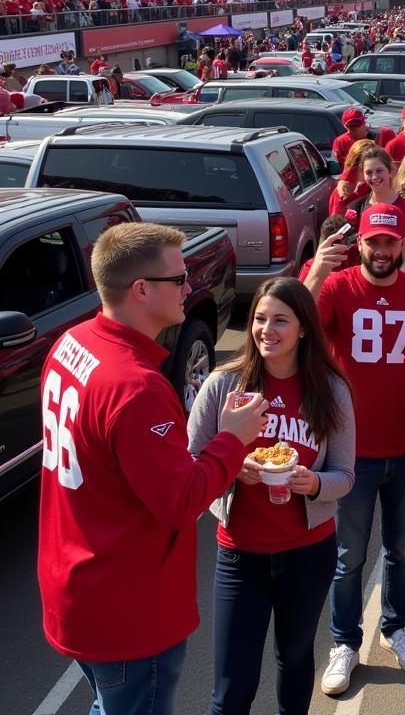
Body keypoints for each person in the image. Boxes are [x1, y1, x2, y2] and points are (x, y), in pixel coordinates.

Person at [37, 223, 267, 715]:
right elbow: (181, 502)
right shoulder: (135, 387)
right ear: (141, 289)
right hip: (127, 608)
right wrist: (230, 440)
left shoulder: (71, 343)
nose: (189, 287)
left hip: (77, 586)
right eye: (178, 278)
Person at [187, 278, 356, 715]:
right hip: (239, 556)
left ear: (304, 328)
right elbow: (189, 464)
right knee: (231, 687)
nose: (266, 329)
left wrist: (313, 484)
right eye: (260, 318)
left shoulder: (331, 391)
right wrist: (229, 470)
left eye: (280, 320)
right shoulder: (224, 386)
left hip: (307, 555)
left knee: (296, 664)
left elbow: (346, 475)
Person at [304, 204, 405, 696]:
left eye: (389, 243)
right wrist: (318, 268)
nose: (381, 252)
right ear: (357, 244)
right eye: (372, 243)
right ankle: (344, 641)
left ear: (401, 244)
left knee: (402, 550)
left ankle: (395, 627)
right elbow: (299, 325)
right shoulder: (338, 288)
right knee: (348, 555)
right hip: (351, 450)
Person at [345, 147, 405, 275]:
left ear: (390, 172)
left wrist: (389, 287)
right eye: (368, 172)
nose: (374, 177)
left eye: (379, 171)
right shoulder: (357, 207)